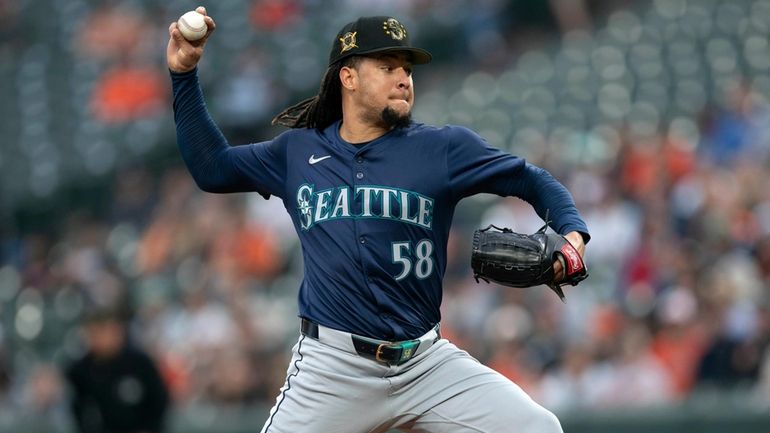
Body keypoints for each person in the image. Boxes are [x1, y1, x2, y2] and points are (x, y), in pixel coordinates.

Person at [167, 8, 589, 432]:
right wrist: (184, 74)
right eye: (387, 67)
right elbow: (212, 168)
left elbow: (528, 178)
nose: (403, 78)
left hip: (425, 363)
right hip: (333, 369)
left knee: (539, 428)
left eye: (407, 69)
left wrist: (572, 233)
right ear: (348, 77)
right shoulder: (296, 153)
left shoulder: (442, 148)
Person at [64, 308, 170, 433]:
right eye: (96, 333)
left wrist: (150, 428)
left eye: (107, 331)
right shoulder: (79, 371)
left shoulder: (140, 363)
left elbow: (159, 401)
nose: (102, 338)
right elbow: (77, 409)